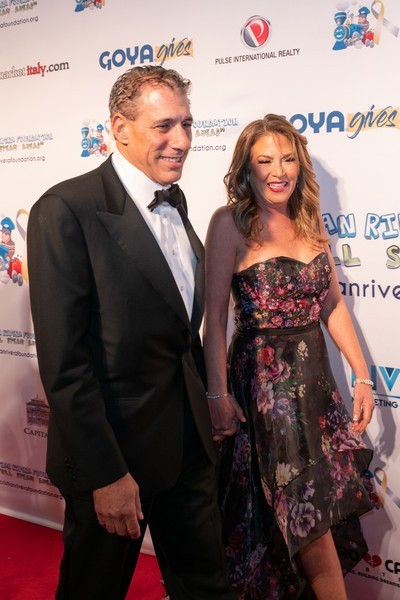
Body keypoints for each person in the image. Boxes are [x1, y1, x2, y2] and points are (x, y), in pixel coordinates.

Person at [27, 65, 236, 600]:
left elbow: (179, 332)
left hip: (187, 449)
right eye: (164, 126)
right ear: (120, 128)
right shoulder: (65, 209)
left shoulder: (175, 200)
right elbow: (65, 365)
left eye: (187, 124)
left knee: (207, 587)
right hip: (115, 459)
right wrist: (105, 474)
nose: (181, 140)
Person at [203, 114, 374, 600]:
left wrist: (362, 376)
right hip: (265, 396)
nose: (279, 171)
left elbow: (332, 305)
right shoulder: (229, 223)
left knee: (311, 519)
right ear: (247, 169)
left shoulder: (307, 218)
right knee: (305, 522)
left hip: (315, 390)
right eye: (265, 161)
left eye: (287, 159)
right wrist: (216, 394)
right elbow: (214, 319)